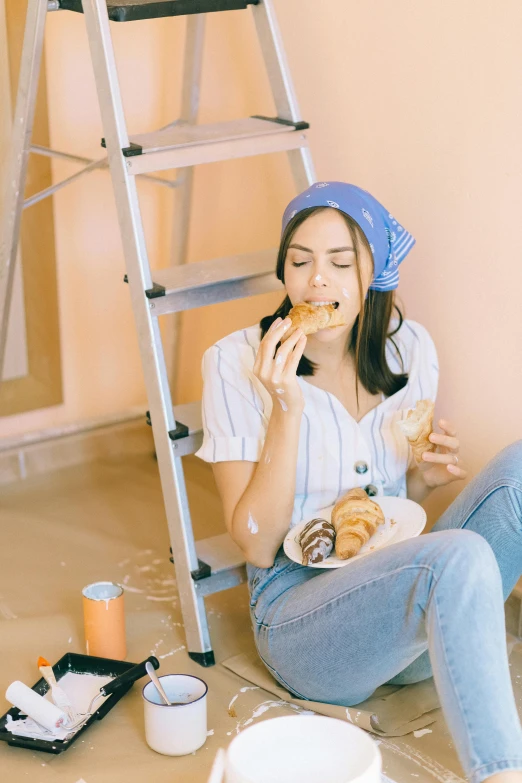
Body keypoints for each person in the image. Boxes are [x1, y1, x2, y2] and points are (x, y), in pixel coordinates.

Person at [195, 182, 522, 783]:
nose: (318, 279)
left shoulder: (410, 348)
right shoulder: (235, 363)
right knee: (458, 557)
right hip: (302, 624)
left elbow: (389, 518)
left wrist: (420, 481)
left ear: (372, 272)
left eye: (341, 262)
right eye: (299, 261)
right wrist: (287, 408)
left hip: (400, 617)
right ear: (285, 274)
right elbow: (255, 545)